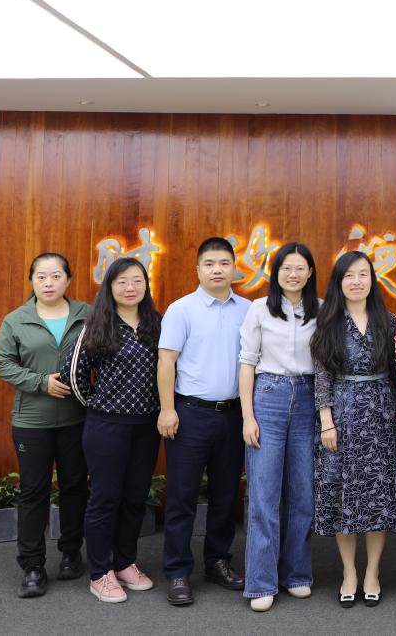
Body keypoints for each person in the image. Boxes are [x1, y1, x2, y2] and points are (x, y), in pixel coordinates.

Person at [59, 256, 162, 603]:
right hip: (107, 425)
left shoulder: (157, 324)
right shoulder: (97, 325)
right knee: (105, 498)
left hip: (147, 426)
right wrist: (98, 403)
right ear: (110, 287)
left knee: (135, 497)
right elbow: (72, 374)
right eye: (122, 282)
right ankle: (100, 572)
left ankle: (124, 562)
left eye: (137, 280)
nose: (130, 287)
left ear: (146, 285)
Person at [157, 237, 251, 606]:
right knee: (182, 496)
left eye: (224, 263)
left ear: (234, 269)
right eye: (209, 264)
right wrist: (167, 409)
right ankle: (178, 571)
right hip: (190, 414)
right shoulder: (181, 309)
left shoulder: (249, 310)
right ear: (198, 269)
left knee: (226, 495)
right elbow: (166, 361)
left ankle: (217, 561)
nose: (217, 270)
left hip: (233, 415)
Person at [0, 252, 90, 598]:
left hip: (78, 418)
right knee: (33, 491)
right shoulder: (16, 320)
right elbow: (1, 362)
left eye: (56, 276)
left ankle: (71, 553)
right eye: (41, 277)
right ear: (32, 280)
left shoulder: (87, 315)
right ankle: (32, 566)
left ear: (68, 280)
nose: (48, 283)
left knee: (75, 487)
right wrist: (40, 382)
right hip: (32, 421)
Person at [312, 251, 396, 608]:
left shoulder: (389, 321)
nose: (356, 281)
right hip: (341, 416)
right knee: (343, 495)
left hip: (382, 415)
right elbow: (322, 376)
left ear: (372, 279)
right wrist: (326, 422)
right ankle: (349, 572)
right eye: (348, 275)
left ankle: (373, 572)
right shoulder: (328, 322)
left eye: (363, 274)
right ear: (339, 282)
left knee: (377, 496)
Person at [238, 242, 321, 612]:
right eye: (286, 267)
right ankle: (261, 582)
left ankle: (296, 573)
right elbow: (246, 362)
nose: (293, 274)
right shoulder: (259, 308)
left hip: (308, 397)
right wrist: (247, 416)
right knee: (264, 494)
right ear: (276, 272)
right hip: (268, 396)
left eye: (300, 268)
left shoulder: (321, 310)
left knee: (302, 493)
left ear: (310, 272)